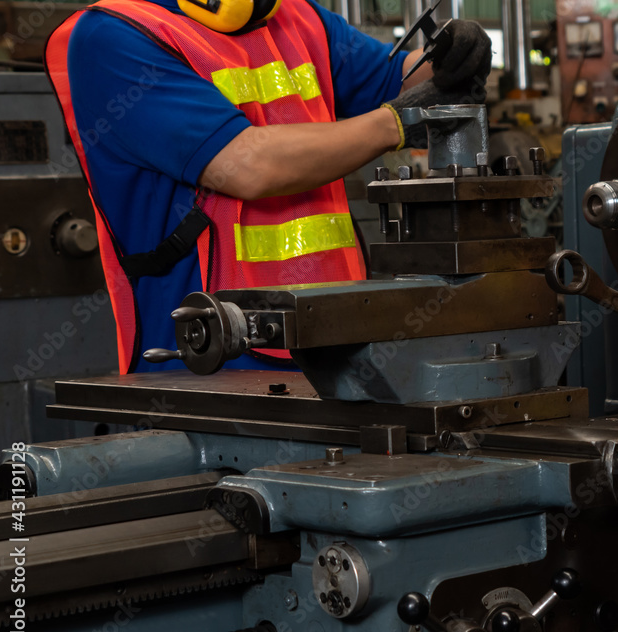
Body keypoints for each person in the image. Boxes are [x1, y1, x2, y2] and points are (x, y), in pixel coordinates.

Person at [45, 0, 492, 374]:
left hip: (341, 350)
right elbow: (247, 165)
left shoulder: (296, 19)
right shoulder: (114, 36)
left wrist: (452, 58)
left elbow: (401, 80)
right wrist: (399, 121)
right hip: (208, 366)